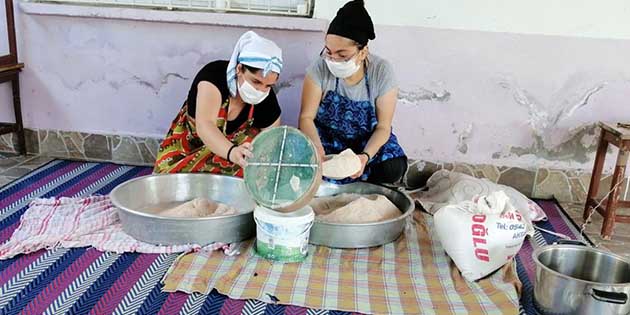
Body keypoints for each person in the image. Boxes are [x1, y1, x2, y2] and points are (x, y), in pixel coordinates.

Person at [299, 0, 407, 184]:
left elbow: (383, 127)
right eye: (329, 52)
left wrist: (364, 157)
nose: (333, 59)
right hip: (328, 140)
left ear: (363, 52)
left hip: (366, 140)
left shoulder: (381, 71)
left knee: (392, 167)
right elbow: (306, 118)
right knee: (303, 165)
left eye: (342, 55)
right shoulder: (319, 68)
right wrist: (317, 148)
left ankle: (364, 181)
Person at [154, 31, 283, 177]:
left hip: (236, 159)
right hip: (189, 149)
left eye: (268, 85)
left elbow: (271, 138)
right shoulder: (214, 76)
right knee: (169, 184)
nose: (261, 90)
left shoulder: (266, 98)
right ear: (239, 69)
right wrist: (232, 152)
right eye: (256, 81)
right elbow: (205, 125)